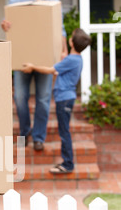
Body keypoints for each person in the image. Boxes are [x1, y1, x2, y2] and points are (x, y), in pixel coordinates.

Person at [1, 0, 68, 151]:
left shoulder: (53, 2)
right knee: (20, 97)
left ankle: (38, 137)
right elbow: (10, 26)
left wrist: (63, 52)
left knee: (43, 99)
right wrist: (5, 26)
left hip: (44, 58)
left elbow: (60, 30)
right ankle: (25, 132)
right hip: (23, 57)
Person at [22, 28, 92, 173]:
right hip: (66, 98)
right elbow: (58, 70)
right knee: (63, 131)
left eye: (70, 38)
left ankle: (68, 164)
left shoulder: (71, 60)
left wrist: (32, 66)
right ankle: (67, 162)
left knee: (64, 132)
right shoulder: (76, 59)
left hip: (64, 100)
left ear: (71, 43)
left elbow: (50, 70)